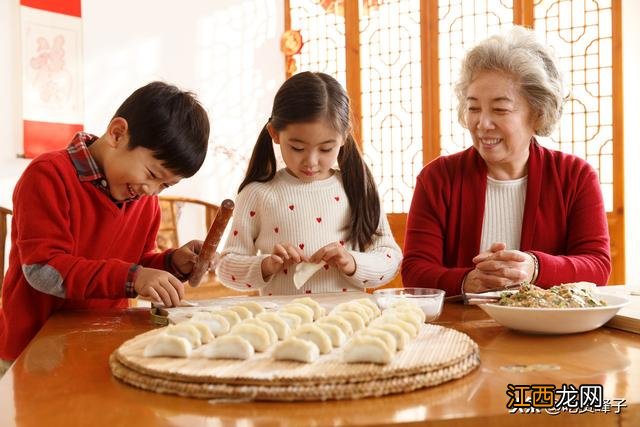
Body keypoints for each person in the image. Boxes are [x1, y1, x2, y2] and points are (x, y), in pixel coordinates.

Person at [0, 81, 210, 369]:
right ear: (117, 133)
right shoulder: (48, 176)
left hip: (104, 343)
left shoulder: (144, 201)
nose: (152, 191)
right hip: (34, 350)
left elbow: (137, 263)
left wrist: (173, 263)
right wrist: (135, 276)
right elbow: (44, 270)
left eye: (165, 185)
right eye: (151, 174)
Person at [401, 26, 611, 297]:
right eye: (473, 108)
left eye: (500, 109)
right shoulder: (437, 177)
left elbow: (597, 266)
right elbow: (415, 270)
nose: (482, 123)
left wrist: (535, 268)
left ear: (538, 113)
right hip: (458, 333)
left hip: (547, 333)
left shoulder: (575, 175)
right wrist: (468, 281)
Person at [217, 72, 402, 295]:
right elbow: (225, 267)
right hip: (282, 324)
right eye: (297, 148)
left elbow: (390, 258)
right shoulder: (257, 194)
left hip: (348, 324)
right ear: (274, 133)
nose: (311, 162)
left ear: (344, 137)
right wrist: (266, 265)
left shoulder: (355, 187)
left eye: (325, 149)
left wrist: (352, 262)